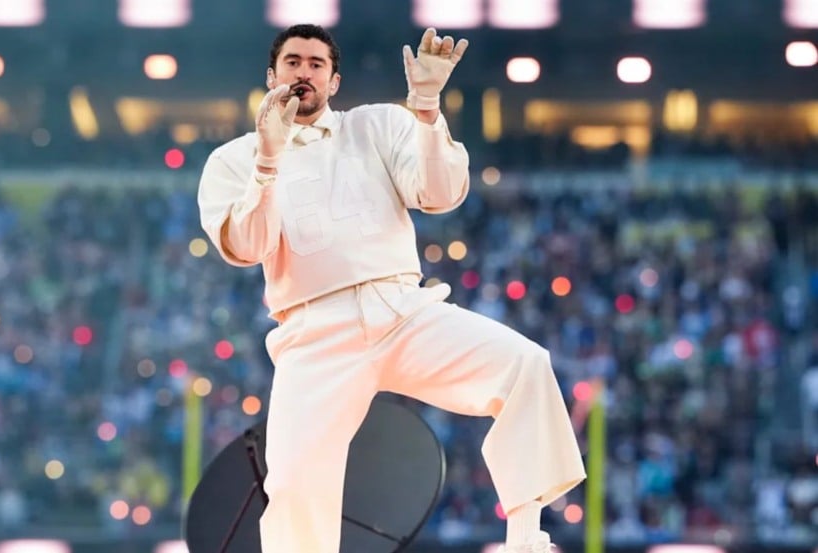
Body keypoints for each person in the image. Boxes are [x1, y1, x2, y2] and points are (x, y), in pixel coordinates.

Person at [198, 23, 586, 553]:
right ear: (271, 76)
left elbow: (440, 193)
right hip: (314, 333)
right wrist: (267, 160)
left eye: (316, 64)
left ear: (334, 82)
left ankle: (525, 539)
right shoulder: (233, 160)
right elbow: (246, 246)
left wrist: (425, 107)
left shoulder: (378, 125)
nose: (304, 72)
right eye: (293, 62)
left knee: (525, 366)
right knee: (291, 485)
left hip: (403, 310)